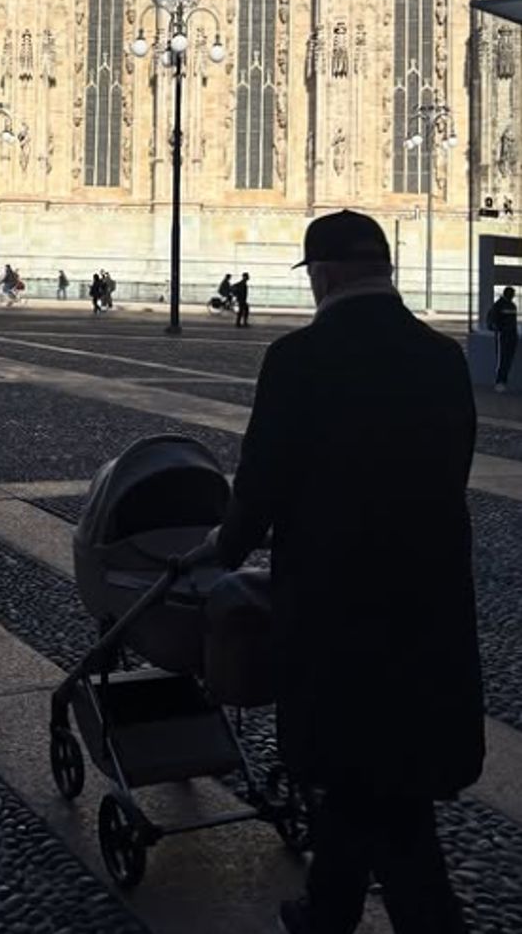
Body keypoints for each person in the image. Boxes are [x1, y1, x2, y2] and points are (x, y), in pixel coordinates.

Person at [201, 210, 482, 934]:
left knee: (375, 788)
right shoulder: (443, 357)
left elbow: (260, 487)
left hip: (337, 614)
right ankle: (326, 907)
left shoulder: (298, 359)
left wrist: (223, 549)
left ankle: (400, 921)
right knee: (379, 771)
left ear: (323, 275)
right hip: (427, 609)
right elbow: (452, 470)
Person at [487, 285, 518, 393]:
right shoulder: (499, 305)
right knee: (502, 359)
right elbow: (492, 320)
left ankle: (503, 380)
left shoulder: (512, 305)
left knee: (507, 359)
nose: (513, 296)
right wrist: (499, 330)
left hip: (512, 335)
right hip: (503, 336)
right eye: (512, 294)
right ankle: (499, 382)